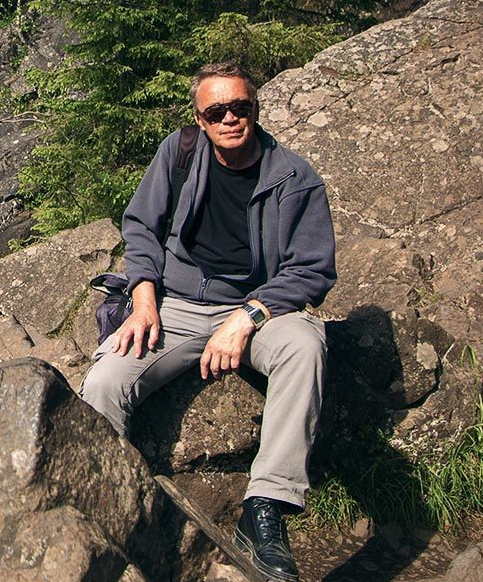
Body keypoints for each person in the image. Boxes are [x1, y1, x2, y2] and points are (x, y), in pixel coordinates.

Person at [79, 62, 336, 582]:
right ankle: (99, 513)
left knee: (305, 347)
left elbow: (311, 268)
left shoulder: (293, 177)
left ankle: (264, 510)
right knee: (106, 379)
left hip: (255, 307)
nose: (230, 119)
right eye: (216, 112)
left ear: (256, 110)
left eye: (241, 107)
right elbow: (142, 228)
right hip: (174, 302)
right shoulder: (179, 154)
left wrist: (246, 317)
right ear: (200, 120)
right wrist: (144, 298)